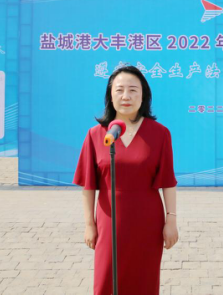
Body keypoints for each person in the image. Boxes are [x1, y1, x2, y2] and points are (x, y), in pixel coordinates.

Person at [74, 65, 178, 295]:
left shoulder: (160, 133)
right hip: (108, 221)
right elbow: (88, 186)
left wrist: (171, 220)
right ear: (110, 96)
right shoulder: (96, 134)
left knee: (144, 280)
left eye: (133, 90)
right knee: (106, 281)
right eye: (119, 90)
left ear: (144, 96)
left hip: (147, 222)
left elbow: (168, 182)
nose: (126, 96)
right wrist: (89, 224)